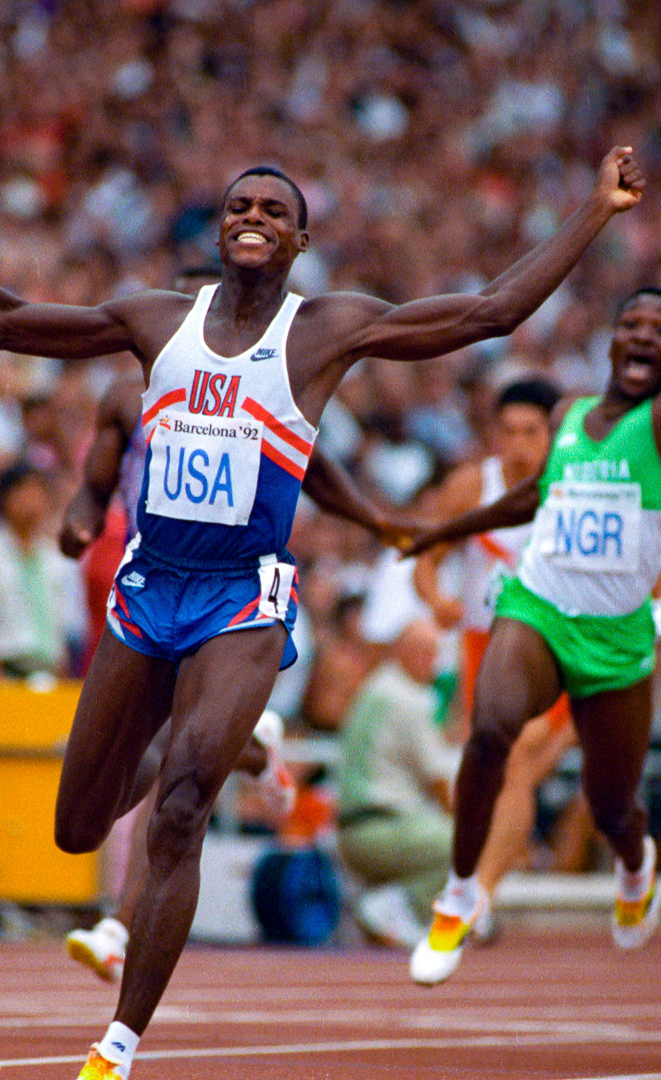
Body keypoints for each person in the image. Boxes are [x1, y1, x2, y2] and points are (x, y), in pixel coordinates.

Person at [0, 145, 643, 1079]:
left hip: (242, 596)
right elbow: (1, 321)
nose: (252, 215)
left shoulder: (325, 331)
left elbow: (487, 313)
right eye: (236, 204)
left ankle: (118, 1044)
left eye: (273, 207)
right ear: (219, 229)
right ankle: (231, 742)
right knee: (77, 827)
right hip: (148, 591)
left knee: (181, 810)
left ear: (299, 239)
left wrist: (593, 210)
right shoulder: (154, 320)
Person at [402, 156, 661, 986]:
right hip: (538, 605)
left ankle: (635, 864)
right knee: (490, 731)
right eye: (634, 325)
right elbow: (532, 498)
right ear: (611, 338)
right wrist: (442, 530)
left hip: (619, 637)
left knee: (611, 805)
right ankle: (456, 896)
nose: (645, 337)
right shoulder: (565, 416)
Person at [58, 329, 409, 983]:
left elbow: (315, 467)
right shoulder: (127, 396)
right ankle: (255, 747)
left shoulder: (258, 389)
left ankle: (119, 925)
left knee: (178, 782)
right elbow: (94, 485)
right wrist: (80, 517)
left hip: (226, 592)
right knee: (126, 776)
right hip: (147, 584)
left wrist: (372, 518)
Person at [411, 376, 575, 929]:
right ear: (493, 436)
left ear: (552, 438)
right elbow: (426, 558)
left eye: (533, 432)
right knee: (485, 772)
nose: (521, 444)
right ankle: (484, 876)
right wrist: (437, 601)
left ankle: (479, 894)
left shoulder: (572, 488)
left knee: (520, 762)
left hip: (556, 647)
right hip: (483, 648)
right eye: (509, 432)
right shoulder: (470, 487)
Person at [336, 617, 459, 947]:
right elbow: (440, 782)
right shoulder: (410, 698)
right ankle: (395, 905)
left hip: (352, 829)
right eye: (424, 651)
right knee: (465, 845)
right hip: (382, 828)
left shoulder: (376, 687)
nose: (431, 662)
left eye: (433, 652)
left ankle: (386, 906)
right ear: (401, 652)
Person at [0, 463, 85, 679]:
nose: (33, 500)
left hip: (48, 678)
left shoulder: (54, 559)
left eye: (39, 493)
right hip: (5, 673)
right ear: (6, 498)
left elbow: (62, 632)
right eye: (26, 491)